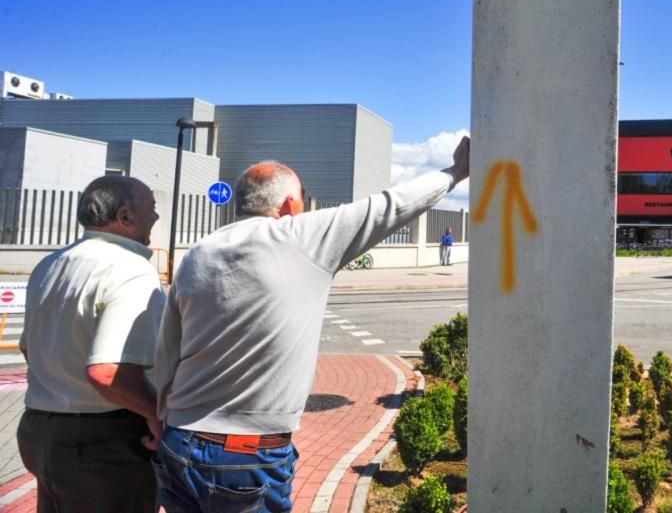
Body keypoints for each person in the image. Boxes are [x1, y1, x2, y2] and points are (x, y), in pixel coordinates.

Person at [153, 136, 470, 513]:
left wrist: (161, 424)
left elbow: (166, 355)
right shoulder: (299, 237)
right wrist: (457, 172)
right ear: (289, 204)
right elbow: (389, 207)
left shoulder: (198, 253)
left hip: (179, 443)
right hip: (245, 457)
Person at [17, 176, 165, 513]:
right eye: (151, 210)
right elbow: (107, 372)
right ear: (124, 216)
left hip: (41, 430)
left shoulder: (51, 264)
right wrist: (158, 415)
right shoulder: (130, 269)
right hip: (103, 442)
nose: (155, 218)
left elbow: (30, 348)